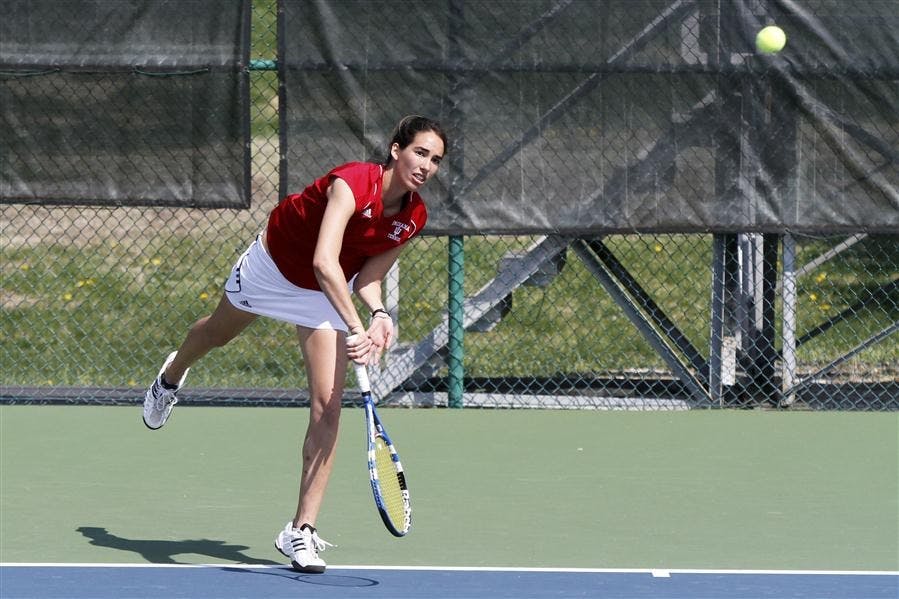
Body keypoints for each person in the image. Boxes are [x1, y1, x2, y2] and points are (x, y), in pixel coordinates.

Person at [142, 115, 447, 573]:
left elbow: (369, 278)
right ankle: (172, 374)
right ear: (395, 149)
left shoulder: (413, 217)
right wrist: (356, 328)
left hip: (326, 294)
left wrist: (380, 314)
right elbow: (325, 260)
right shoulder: (352, 182)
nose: (426, 166)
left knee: (328, 407)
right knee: (216, 334)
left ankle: (300, 530)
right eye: (420, 152)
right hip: (275, 267)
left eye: (436, 160)